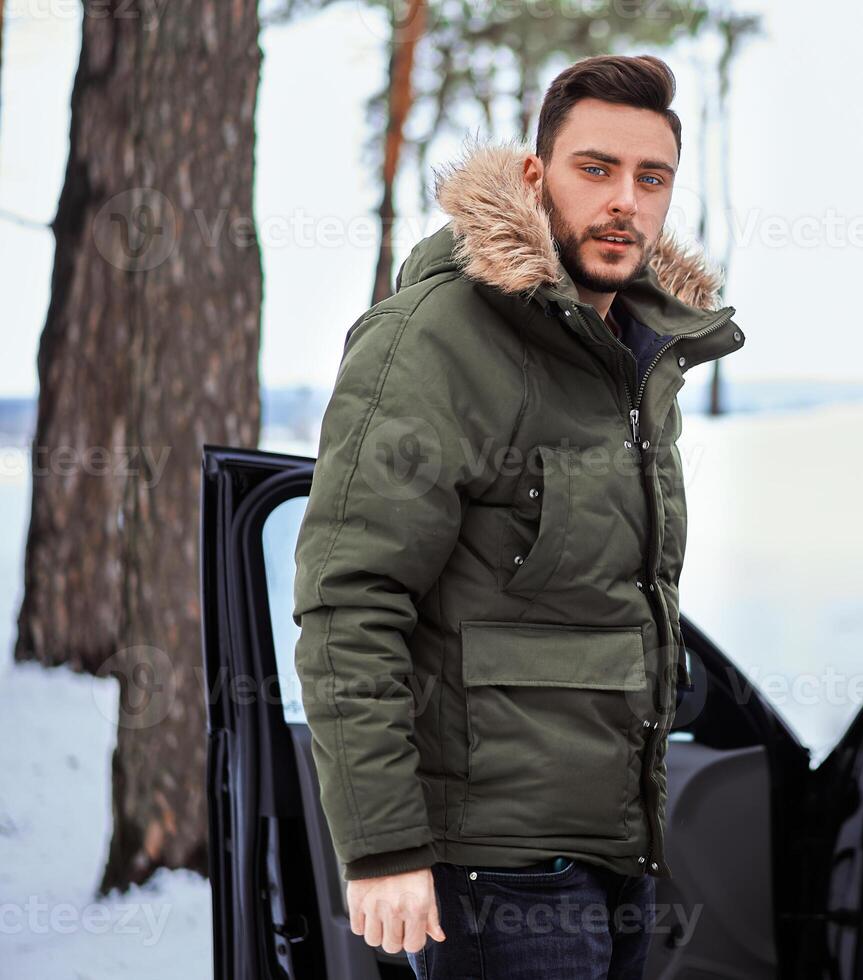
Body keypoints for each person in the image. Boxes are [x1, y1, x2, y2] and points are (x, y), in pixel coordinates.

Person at [290, 52, 745, 979]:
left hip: (619, 854)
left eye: (649, 177)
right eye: (596, 168)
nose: (625, 200)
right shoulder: (435, 340)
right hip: (493, 876)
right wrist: (382, 849)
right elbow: (351, 602)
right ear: (536, 177)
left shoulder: (639, 357)